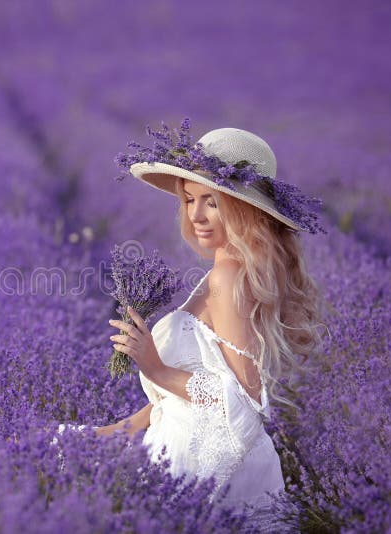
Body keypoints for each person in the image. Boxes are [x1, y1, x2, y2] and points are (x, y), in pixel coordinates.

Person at [97, 126, 327, 527]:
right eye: (189, 200)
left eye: (212, 203)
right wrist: (122, 430)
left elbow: (244, 400)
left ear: (244, 209)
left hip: (204, 466)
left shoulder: (229, 279)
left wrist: (155, 367)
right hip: (183, 448)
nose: (196, 215)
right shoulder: (226, 272)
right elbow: (197, 385)